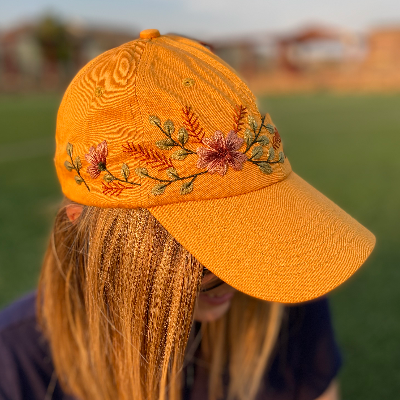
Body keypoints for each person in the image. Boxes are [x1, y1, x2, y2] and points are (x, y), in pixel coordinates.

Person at [0, 29, 375, 400]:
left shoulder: (284, 290)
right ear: (84, 227)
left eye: (263, 229)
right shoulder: (17, 362)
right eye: (200, 249)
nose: (240, 272)